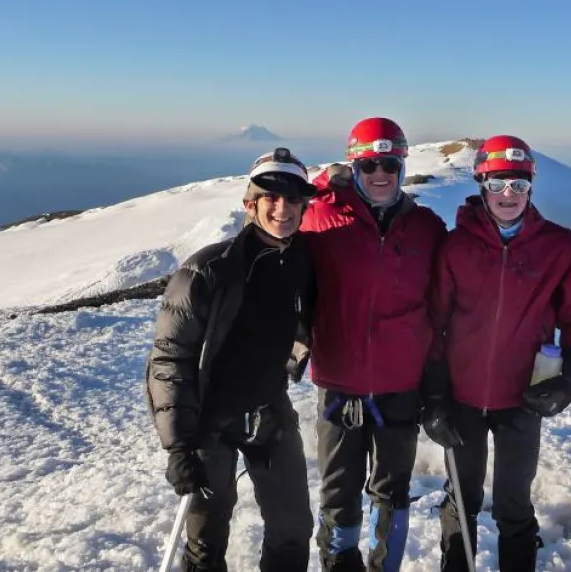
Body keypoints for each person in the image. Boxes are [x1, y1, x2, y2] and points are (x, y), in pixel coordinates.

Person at [423, 135, 571, 572]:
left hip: (524, 397)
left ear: (531, 188)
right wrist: (435, 396)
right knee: (462, 498)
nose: (508, 195)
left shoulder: (560, 246)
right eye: (498, 183)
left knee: (514, 502)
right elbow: (435, 325)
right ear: (481, 182)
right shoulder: (456, 245)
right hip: (461, 398)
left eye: (518, 185)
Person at [144, 147, 318, 572]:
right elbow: (169, 358)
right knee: (206, 542)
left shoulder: (302, 261)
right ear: (250, 204)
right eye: (270, 197)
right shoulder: (207, 271)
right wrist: (179, 445)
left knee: (293, 528)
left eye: (293, 197)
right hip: (210, 423)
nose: (282, 207)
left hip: (270, 410)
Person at [299, 117, 448, 572]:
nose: (379, 173)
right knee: (339, 492)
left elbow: (447, 304)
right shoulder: (318, 219)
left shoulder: (427, 228)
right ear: (354, 166)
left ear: (402, 165)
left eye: (389, 163)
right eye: (368, 165)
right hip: (339, 383)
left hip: (401, 385)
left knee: (392, 490)